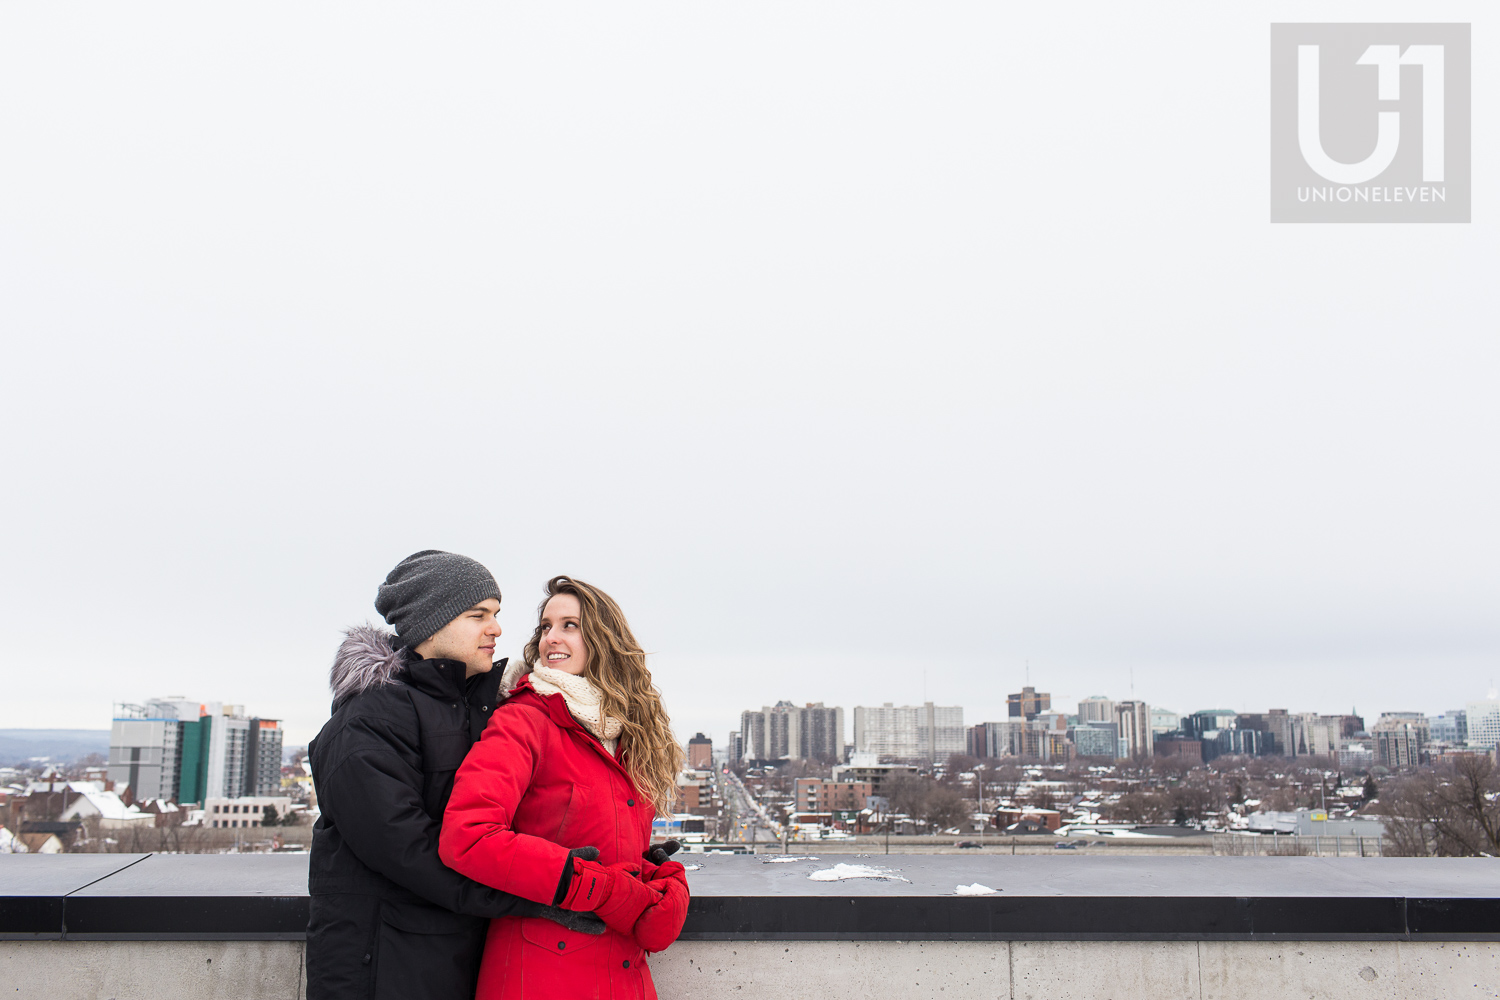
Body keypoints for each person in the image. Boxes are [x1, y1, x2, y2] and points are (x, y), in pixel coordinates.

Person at [306, 551, 595, 1000]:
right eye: (478, 615)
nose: (496, 628)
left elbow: (527, 816)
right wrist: (546, 891)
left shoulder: (480, 710)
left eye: (496, 614)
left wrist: (620, 862)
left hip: (461, 960)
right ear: (430, 624)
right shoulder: (365, 723)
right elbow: (414, 853)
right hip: (383, 971)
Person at [440, 575, 691, 1000]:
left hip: (623, 972)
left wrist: (658, 878)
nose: (550, 638)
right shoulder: (524, 720)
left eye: (569, 625)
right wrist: (591, 886)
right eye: (545, 626)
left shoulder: (624, 733)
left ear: (604, 638)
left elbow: (608, 846)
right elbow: (467, 837)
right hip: (540, 973)